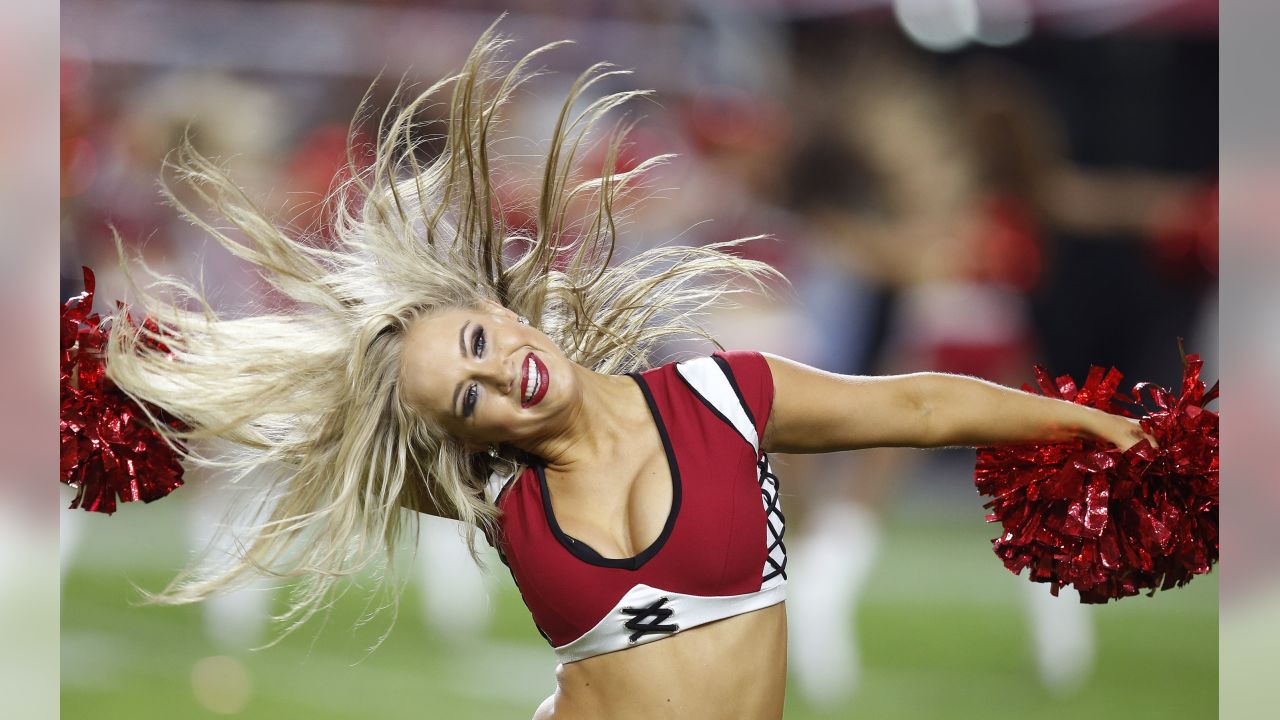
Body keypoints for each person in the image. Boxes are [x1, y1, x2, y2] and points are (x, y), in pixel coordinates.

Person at [103, 27, 1150, 720]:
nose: (496, 378)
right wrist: (115, 395)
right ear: (464, 436)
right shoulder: (498, 491)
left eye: (477, 345)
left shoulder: (722, 397)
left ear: (500, 309)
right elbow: (274, 433)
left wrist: (1093, 432)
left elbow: (917, 405)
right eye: (464, 400)